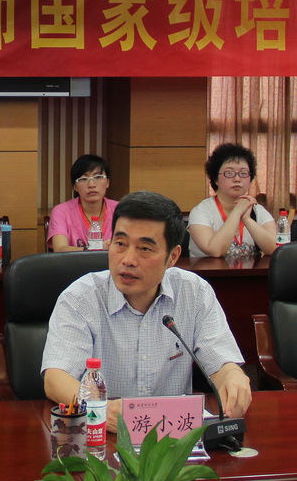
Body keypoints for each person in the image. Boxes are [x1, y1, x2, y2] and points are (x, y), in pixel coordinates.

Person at [42, 190, 252, 428]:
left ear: (172, 257)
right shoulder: (80, 297)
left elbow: (222, 364)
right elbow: (55, 379)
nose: (128, 259)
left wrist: (233, 377)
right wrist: (100, 408)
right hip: (102, 434)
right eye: (120, 244)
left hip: (172, 436)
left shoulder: (194, 292)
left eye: (144, 249)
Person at [186, 142, 277, 258]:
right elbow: (215, 251)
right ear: (215, 179)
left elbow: (274, 248)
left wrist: (247, 219)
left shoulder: (258, 210)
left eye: (243, 173)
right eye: (229, 173)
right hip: (208, 270)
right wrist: (237, 211)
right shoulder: (202, 211)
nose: (237, 179)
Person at [47, 154, 118, 252]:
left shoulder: (120, 210)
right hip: (75, 262)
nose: (91, 184)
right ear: (75, 187)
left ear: (108, 182)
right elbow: (60, 249)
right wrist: (95, 249)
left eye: (98, 177)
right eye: (84, 179)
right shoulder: (61, 212)